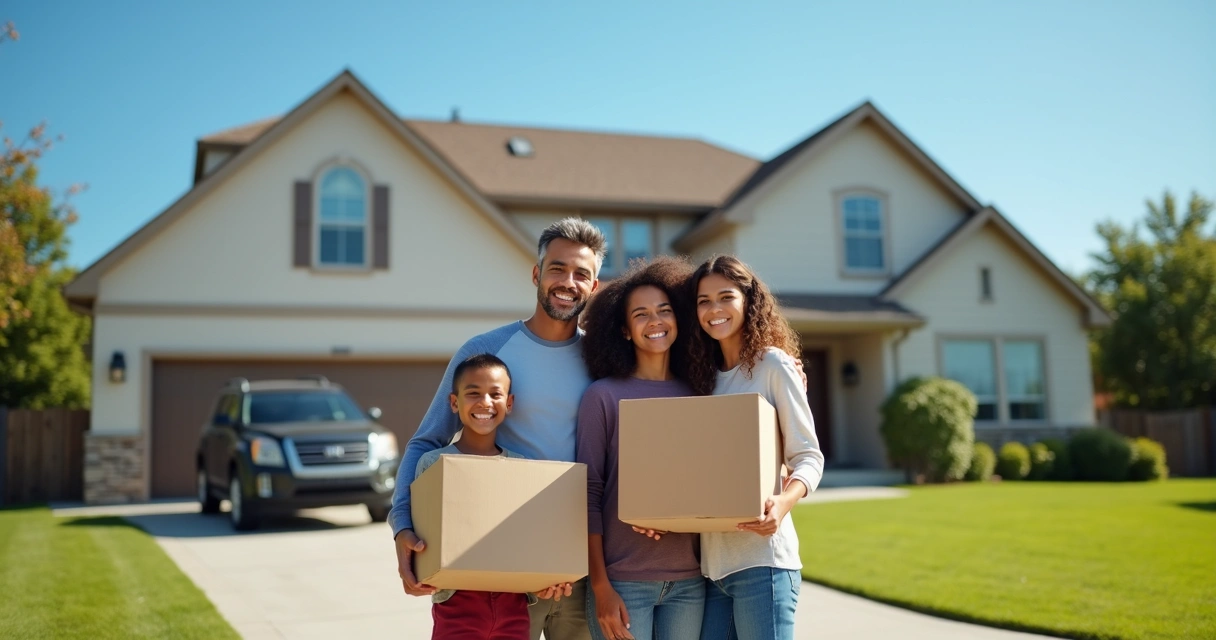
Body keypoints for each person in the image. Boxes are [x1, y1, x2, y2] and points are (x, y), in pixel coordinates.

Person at [391, 218, 606, 640]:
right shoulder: (486, 351)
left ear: (594, 286)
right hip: (504, 560)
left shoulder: (601, 360)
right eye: (557, 269)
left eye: (581, 274)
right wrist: (402, 524)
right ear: (536, 274)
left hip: (580, 560)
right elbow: (427, 441)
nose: (568, 282)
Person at [685, 255, 825, 640]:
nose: (714, 309)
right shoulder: (700, 378)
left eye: (726, 297)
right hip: (713, 569)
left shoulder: (774, 366)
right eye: (703, 301)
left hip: (764, 563)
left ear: (748, 300)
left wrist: (783, 503)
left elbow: (809, 457)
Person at [576, 258, 705, 640]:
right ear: (625, 330)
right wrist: (600, 585)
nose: (655, 321)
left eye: (664, 310)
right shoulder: (602, 396)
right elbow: (588, 491)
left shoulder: (698, 394)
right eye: (641, 314)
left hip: (690, 582)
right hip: (622, 580)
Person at [416, 354, 572, 639]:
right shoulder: (433, 464)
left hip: (514, 609)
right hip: (456, 607)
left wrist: (542, 580)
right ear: (454, 402)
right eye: (473, 393)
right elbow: (424, 537)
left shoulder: (521, 466)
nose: (485, 402)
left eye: (495, 394)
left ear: (509, 403)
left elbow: (528, 541)